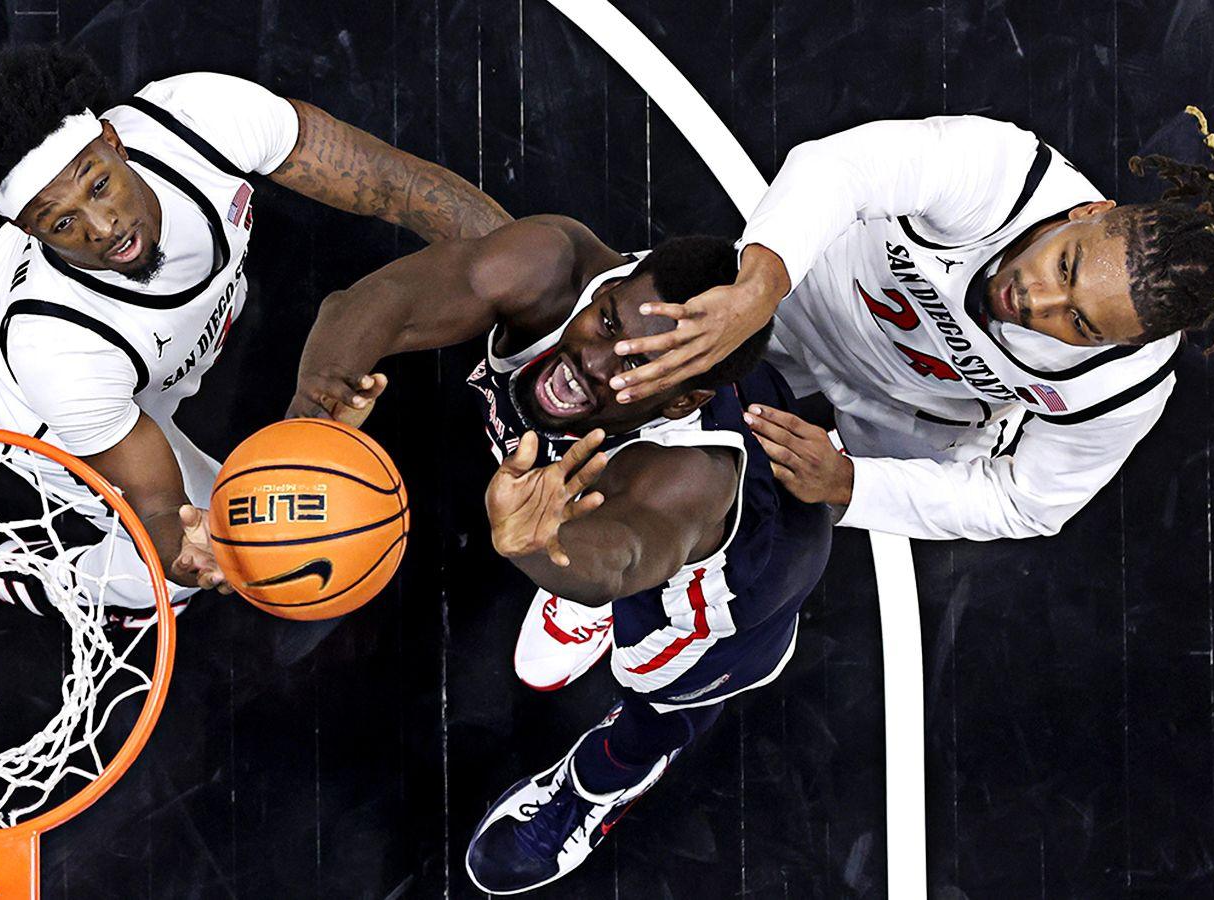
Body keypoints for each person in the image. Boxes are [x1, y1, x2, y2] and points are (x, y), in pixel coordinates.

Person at [528, 108, 1214, 672]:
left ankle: (667, 605)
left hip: (898, 418)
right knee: (647, 353)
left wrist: (853, 483)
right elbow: (839, 169)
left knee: (756, 543)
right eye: (1065, 267)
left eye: (1076, 321)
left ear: (1124, 343)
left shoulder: (1120, 388)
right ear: (1085, 214)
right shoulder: (1004, 173)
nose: (1035, 302)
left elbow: (1028, 501)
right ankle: (597, 527)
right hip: (796, 305)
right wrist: (760, 285)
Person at [288, 220, 832, 892]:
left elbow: (622, 561)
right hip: (609, 497)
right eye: (606, 325)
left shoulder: (694, 475)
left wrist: (541, 545)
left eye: (637, 365)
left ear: (686, 396)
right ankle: (567, 553)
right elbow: (373, 307)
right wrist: (305, 434)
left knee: (662, 691)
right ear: (618, 281)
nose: (592, 367)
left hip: (731, 575)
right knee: (581, 510)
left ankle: (597, 786)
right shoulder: (555, 266)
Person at [0, 44, 510, 620]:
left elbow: (397, 189)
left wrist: (536, 279)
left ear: (113, 140)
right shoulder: (55, 353)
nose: (102, 227)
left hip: (142, 349)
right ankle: (75, 585)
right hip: (30, 407)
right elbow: (159, 506)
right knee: (223, 542)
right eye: (62, 223)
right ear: (33, 233)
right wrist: (186, 553)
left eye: (99, 185)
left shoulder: (199, 120)